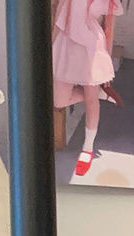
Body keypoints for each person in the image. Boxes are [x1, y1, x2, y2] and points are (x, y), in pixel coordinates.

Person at [52, 0, 123, 177]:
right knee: (59, 100)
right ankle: (100, 94)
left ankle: (88, 148)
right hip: (66, 43)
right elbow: (58, 17)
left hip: (92, 47)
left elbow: (109, 29)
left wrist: (106, 62)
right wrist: (51, 46)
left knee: (91, 100)